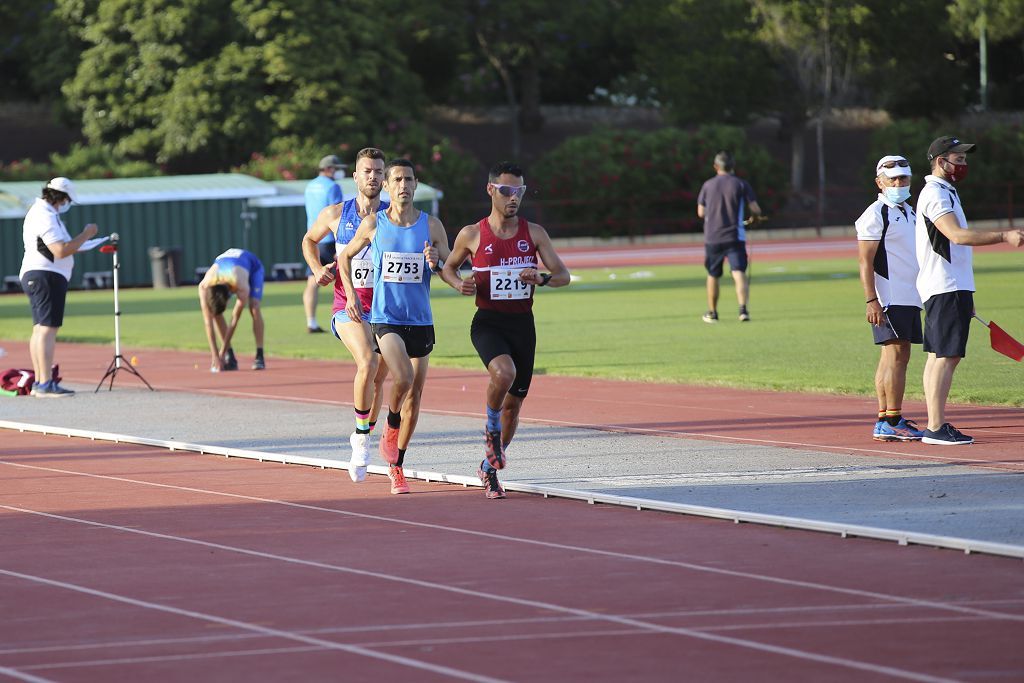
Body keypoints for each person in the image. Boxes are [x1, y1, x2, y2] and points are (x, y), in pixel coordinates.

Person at [440, 162, 571, 499]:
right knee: (504, 372)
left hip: (522, 325)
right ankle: (491, 430)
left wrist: (540, 278)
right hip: (488, 322)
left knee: (515, 405)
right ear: (491, 190)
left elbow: (563, 275)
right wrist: (459, 285)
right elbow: (449, 268)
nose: (514, 198)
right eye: (507, 191)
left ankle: (489, 469)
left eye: (520, 192)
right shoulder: (472, 234)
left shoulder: (535, 233)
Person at [336, 159, 453, 494]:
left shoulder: (431, 226)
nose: (404, 185)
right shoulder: (374, 224)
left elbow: (449, 263)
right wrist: (351, 297)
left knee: (415, 395)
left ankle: (396, 464)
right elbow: (345, 257)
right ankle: (386, 425)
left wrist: (439, 263)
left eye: (409, 179)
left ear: (416, 185)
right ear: (387, 186)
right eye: (397, 179)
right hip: (385, 318)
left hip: (420, 318)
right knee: (402, 377)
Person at [915, 136, 1024, 445]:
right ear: (940, 161)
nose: (963, 164)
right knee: (947, 356)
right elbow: (957, 236)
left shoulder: (943, 192)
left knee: (939, 355)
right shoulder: (936, 194)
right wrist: (1004, 235)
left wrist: (968, 294)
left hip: (949, 285)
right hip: (945, 285)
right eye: (957, 159)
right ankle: (936, 427)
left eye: (964, 159)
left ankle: (935, 424)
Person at [304, 147, 390, 482]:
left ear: (385, 178)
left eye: (378, 171)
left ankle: (362, 432)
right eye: (367, 171)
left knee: (380, 377)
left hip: (384, 310)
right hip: (347, 307)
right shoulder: (335, 213)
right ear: (355, 176)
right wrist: (316, 270)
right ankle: (362, 440)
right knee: (367, 362)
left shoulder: (392, 217)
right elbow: (309, 241)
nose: (373, 177)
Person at [855, 156, 924, 442]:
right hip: (890, 296)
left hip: (910, 295)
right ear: (879, 182)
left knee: (892, 356)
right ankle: (893, 419)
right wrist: (871, 300)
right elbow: (864, 261)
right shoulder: (875, 214)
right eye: (892, 180)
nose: (898, 184)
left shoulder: (909, 211)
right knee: (897, 356)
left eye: (903, 179)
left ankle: (885, 418)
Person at [19, 177, 98, 397]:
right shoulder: (45, 215)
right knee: (47, 329)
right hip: (47, 275)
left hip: (41, 273)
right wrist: (87, 234)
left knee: (40, 328)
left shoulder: (45, 214)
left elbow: (64, 247)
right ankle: (45, 383)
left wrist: (88, 242)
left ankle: (40, 381)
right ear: (61, 198)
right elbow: (60, 250)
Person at [696, 151, 762, 323]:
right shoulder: (741, 184)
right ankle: (743, 310)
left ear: (716, 167)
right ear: (733, 166)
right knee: (738, 272)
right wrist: (753, 219)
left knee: (713, 274)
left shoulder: (707, 185)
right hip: (735, 236)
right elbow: (755, 209)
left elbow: (700, 212)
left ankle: (713, 312)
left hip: (713, 237)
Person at [198, 248, 266, 372]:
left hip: (252, 268)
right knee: (216, 313)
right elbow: (208, 323)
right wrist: (215, 356)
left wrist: (221, 352)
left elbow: (234, 320)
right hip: (226, 269)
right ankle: (231, 356)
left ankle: (259, 355)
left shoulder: (240, 286)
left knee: (254, 307)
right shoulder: (204, 286)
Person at [303, 154, 345, 333]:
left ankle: (311, 321)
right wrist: (339, 244)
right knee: (345, 279)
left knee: (312, 281)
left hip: (314, 237)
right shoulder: (333, 187)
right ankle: (345, 317)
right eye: (337, 169)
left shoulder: (309, 186)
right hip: (329, 240)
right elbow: (337, 217)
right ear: (330, 169)